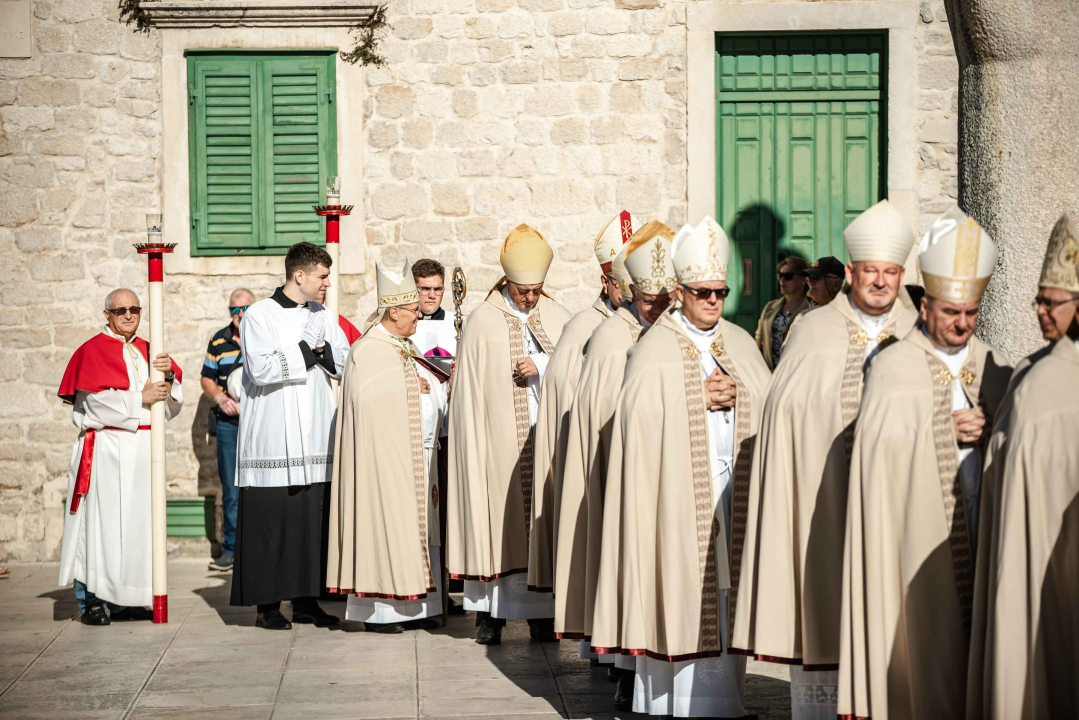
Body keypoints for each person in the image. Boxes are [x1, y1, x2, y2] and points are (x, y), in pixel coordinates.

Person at [732, 199, 919, 720]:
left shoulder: (921, 332)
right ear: (852, 272)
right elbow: (788, 416)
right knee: (827, 625)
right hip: (825, 512)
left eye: (890, 272)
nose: (880, 282)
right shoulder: (812, 333)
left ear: (901, 274)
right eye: (870, 272)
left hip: (899, 516)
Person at [590, 216, 771, 717]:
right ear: (679, 291)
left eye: (721, 291)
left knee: (726, 600)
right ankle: (676, 706)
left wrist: (742, 396)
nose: (714, 300)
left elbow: (771, 399)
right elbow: (635, 418)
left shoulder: (738, 341)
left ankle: (726, 704)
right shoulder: (654, 347)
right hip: (674, 502)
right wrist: (695, 396)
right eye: (704, 292)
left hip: (730, 495)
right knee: (678, 594)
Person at [838, 208, 1013, 719]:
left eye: (971, 312)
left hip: (984, 533)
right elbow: (877, 459)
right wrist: (943, 428)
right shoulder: (893, 367)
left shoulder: (993, 366)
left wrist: (993, 437)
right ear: (925, 304)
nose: (961, 324)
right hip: (916, 539)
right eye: (951, 312)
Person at [556, 220, 678, 706]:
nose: (660, 308)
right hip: (625, 473)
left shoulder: (672, 331)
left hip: (672, 475)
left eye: (667, 298)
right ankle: (626, 672)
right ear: (628, 293)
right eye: (650, 300)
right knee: (627, 569)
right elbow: (603, 414)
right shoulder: (612, 336)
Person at [967, 214, 1079, 720]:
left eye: (1050, 302)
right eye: (1038, 299)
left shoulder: (1048, 378)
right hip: (1027, 547)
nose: (1038, 311)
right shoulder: (1033, 371)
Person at [447, 224, 571, 646]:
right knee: (497, 521)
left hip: (546, 440)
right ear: (507, 281)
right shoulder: (482, 320)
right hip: (498, 444)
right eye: (523, 290)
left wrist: (545, 367)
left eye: (537, 290)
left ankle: (543, 615)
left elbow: (577, 372)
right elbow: (467, 394)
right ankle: (490, 617)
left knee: (543, 521)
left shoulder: (557, 317)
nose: (530, 298)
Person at [230, 242, 351, 630]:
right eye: (322, 275)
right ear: (299, 275)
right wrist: (308, 350)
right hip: (273, 431)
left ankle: (305, 601)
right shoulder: (258, 316)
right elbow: (261, 370)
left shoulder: (323, 315)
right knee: (271, 522)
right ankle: (267, 605)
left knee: (309, 521)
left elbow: (345, 361)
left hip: (316, 430)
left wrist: (324, 350)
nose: (327, 283)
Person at [327, 260, 448, 633]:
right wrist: (414, 387)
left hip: (417, 452)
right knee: (385, 527)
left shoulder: (402, 344)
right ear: (393, 311)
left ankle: (420, 607)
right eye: (412, 311)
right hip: (383, 459)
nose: (417, 317)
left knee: (419, 532)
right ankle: (381, 612)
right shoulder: (369, 349)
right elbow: (367, 401)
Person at [528, 211, 638, 608]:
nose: (631, 294)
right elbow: (564, 390)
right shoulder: (584, 327)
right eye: (623, 284)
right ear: (607, 281)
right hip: (596, 450)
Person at [57, 289, 184, 625]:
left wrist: (169, 376)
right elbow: (94, 405)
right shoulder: (91, 351)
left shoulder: (149, 349)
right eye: (120, 310)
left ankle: (128, 599)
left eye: (134, 309)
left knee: (138, 529)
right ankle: (92, 602)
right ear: (107, 314)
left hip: (143, 453)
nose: (128, 315)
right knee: (99, 529)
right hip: (107, 452)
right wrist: (137, 397)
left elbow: (171, 405)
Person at [201, 288, 254, 572]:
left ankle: (256, 548)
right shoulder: (218, 340)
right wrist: (221, 398)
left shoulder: (262, 335)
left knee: (261, 484)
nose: (240, 314)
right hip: (229, 425)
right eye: (235, 309)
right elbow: (207, 378)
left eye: (245, 308)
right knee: (231, 489)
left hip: (258, 424)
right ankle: (231, 550)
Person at [755, 257, 811, 370]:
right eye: (780, 275)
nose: (782, 280)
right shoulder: (770, 307)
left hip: (796, 374)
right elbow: (758, 340)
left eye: (788, 276)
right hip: (768, 374)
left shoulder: (811, 310)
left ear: (803, 280)